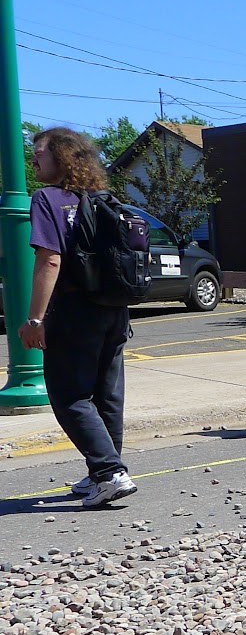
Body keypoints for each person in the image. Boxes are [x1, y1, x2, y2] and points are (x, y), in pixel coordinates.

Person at [18, 127, 141, 508]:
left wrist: (35, 319)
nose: (34, 158)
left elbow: (50, 258)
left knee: (70, 395)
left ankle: (108, 472)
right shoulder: (104, 198)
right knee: (107, 395)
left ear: (63, 157)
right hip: (114, 308)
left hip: (74, 310)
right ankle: (104, 473)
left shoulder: (47, 199)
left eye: (39, 152)